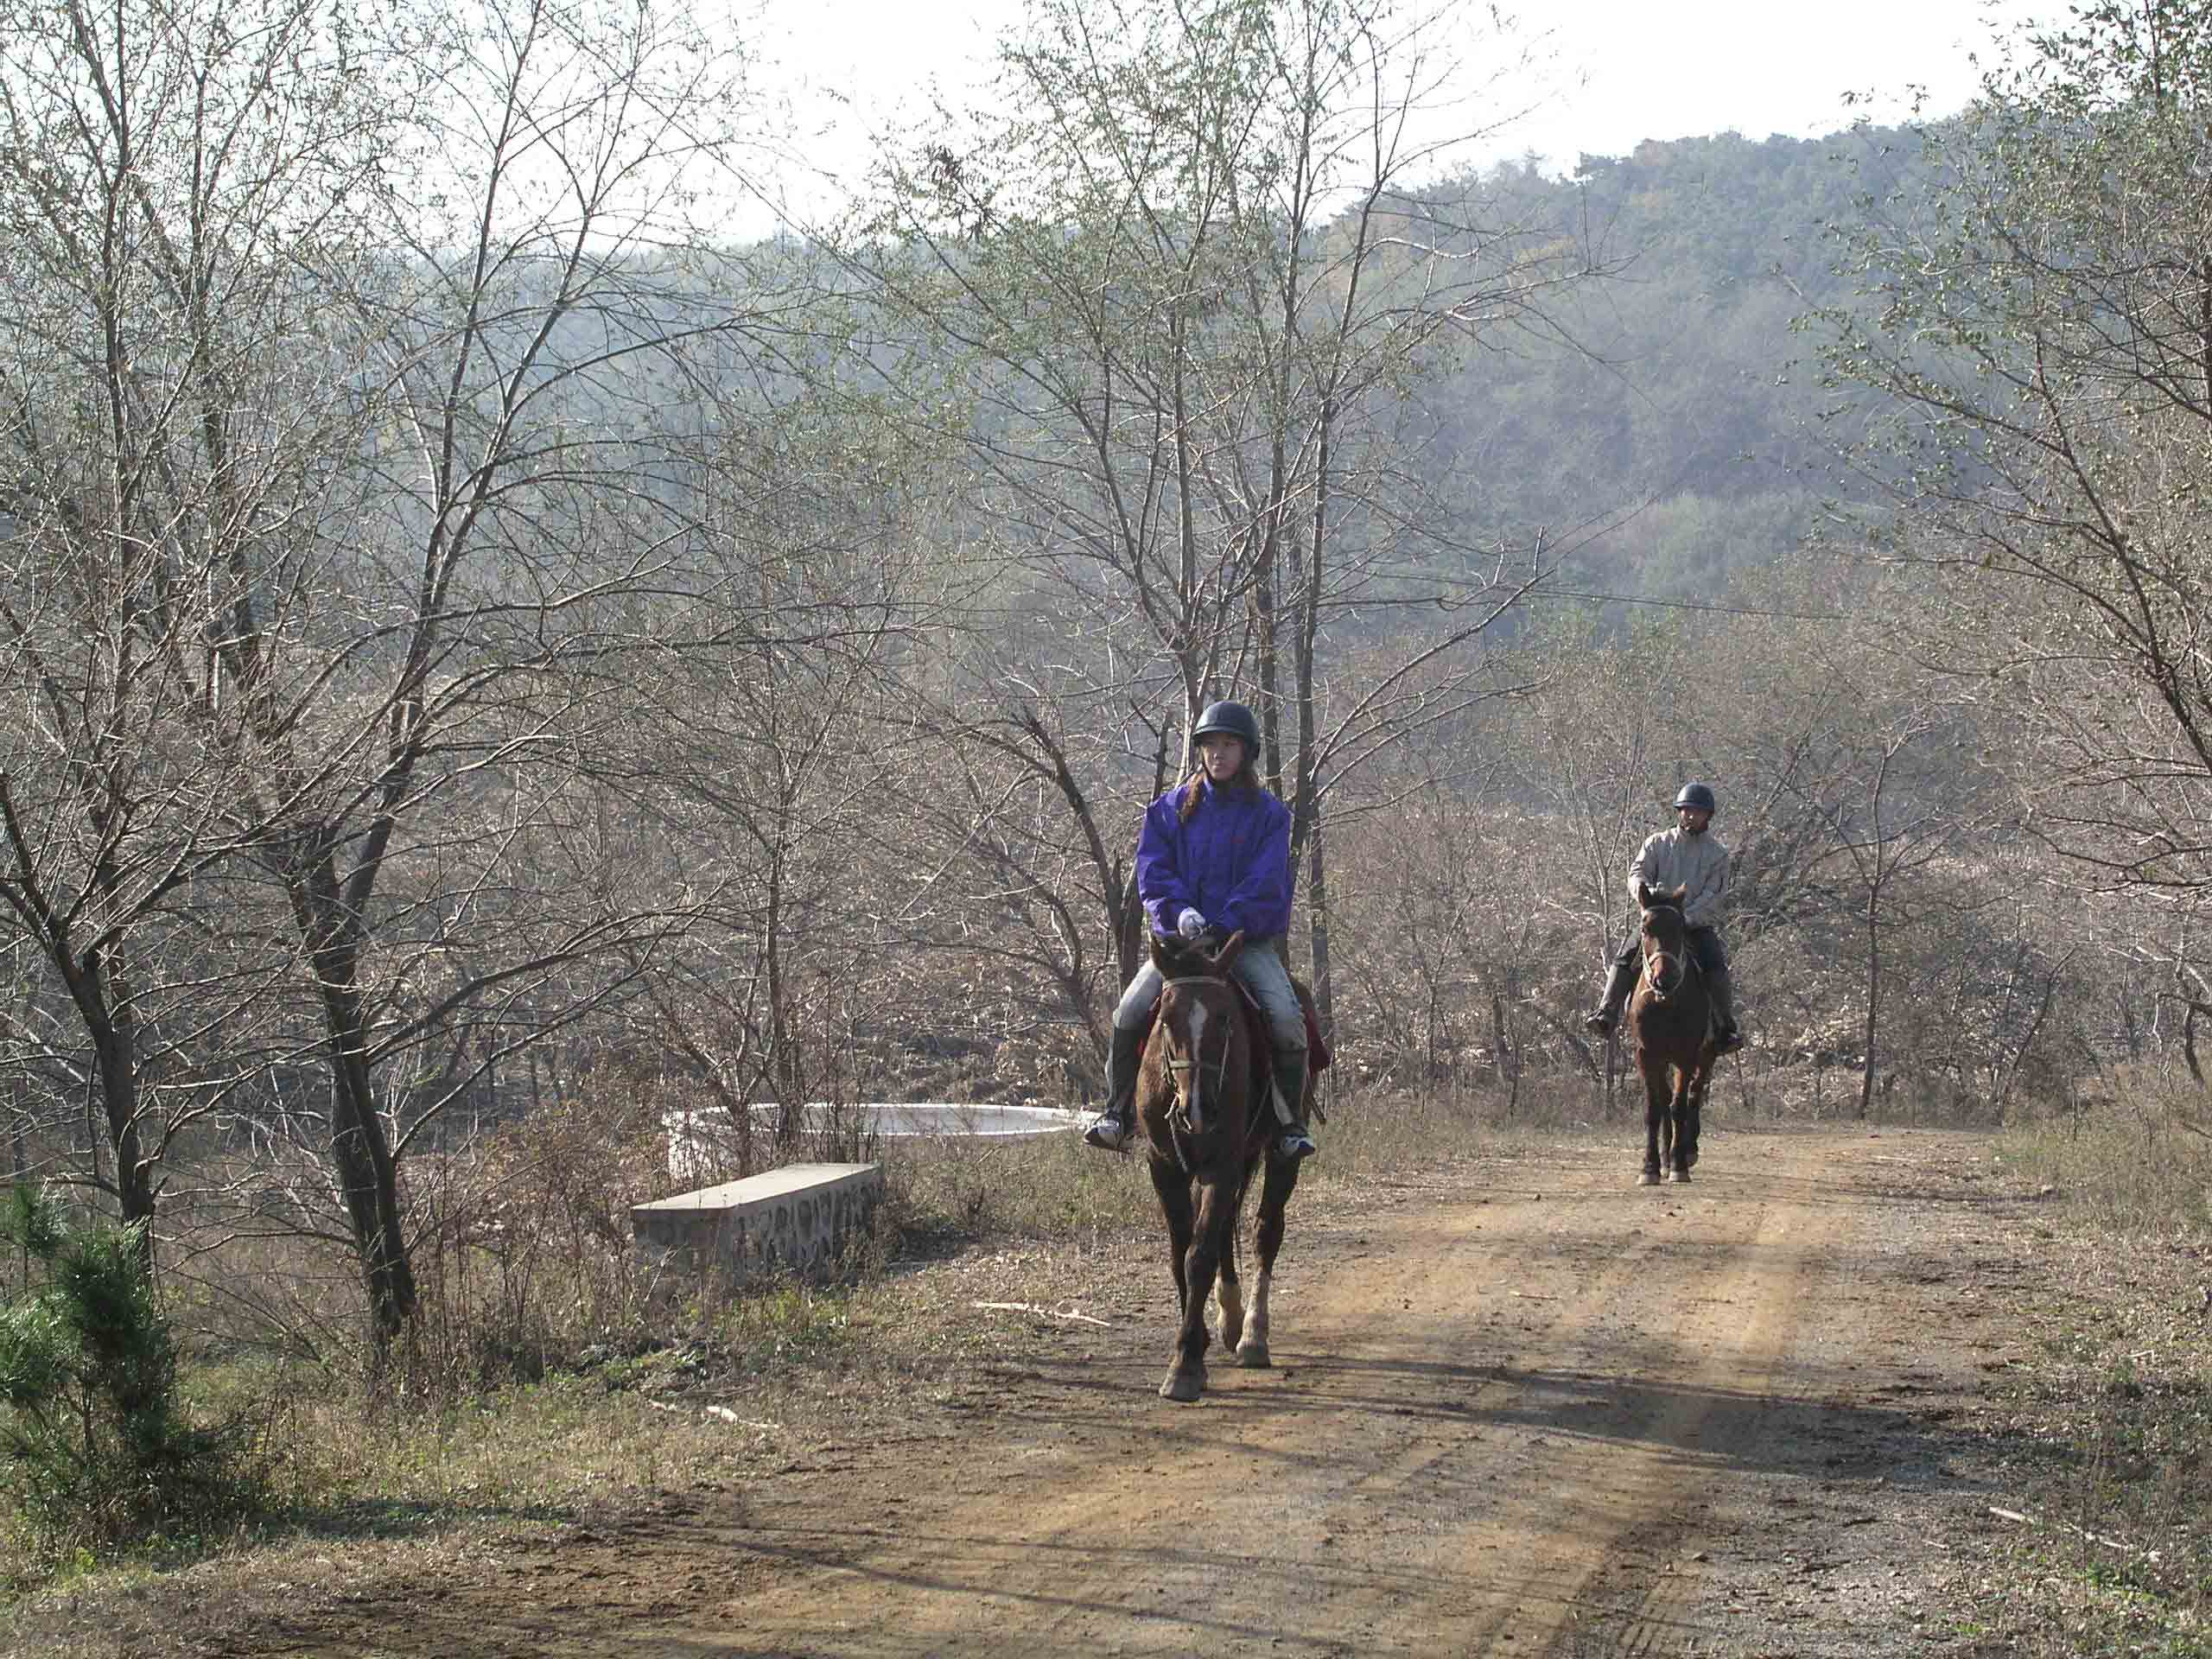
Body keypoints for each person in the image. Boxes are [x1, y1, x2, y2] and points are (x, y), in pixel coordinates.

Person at [1083, 699, 1317, 1161]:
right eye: (1211, 745)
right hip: (1180, 946)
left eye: (1229, 745)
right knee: (1126, 1016)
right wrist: (1179, 913)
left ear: (1246, 752)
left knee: (1288, 1021)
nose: (1219, 754)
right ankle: (1116, 1114)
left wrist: (1226, 921)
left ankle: (1290, 1125)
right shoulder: (1167, 811)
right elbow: (1153, 872)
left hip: (1241, 943)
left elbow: (1266, 881)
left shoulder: (1269, 816)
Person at [1584, 781, 1745, 1053]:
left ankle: (1725, 1029)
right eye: (1686, 810)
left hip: (1694, 925)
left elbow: (1714, 894)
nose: (1691, 815)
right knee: (1625, 957)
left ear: (1708, 816)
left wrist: (1688, 918)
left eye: (1698, 811)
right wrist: (1643, 896)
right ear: (1679, 812)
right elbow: (1637, 873)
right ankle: (1606, 1014)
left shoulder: (1717, 854)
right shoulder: (1657, 842)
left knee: (1716, 965)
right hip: (1658, 922)